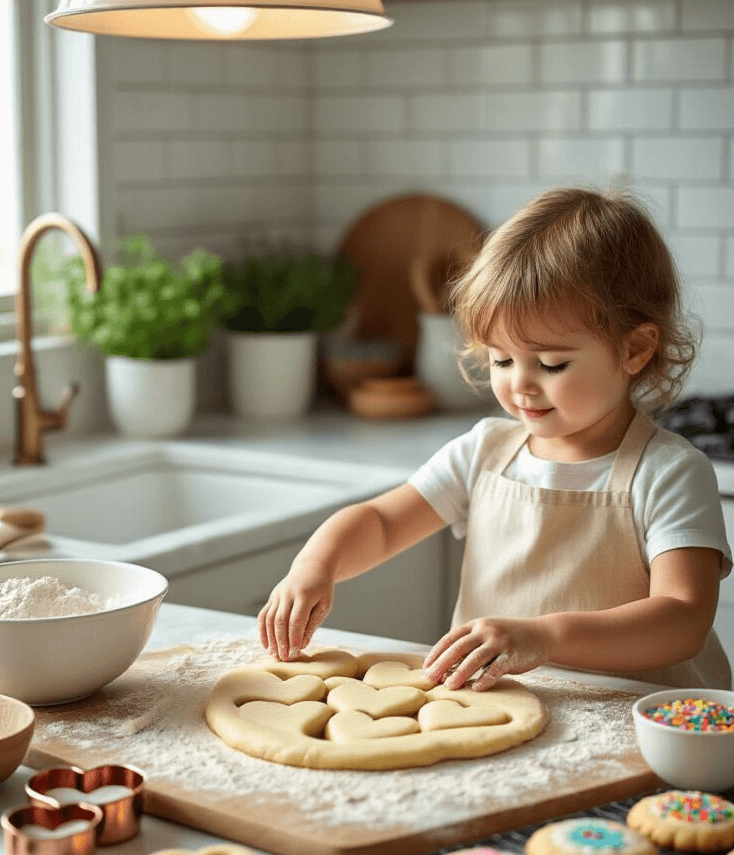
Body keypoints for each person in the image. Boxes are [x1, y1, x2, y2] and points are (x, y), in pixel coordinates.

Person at [258, 187, 732, 692]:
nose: (519, 384)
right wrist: (315, 566)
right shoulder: (484, 452)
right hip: (501, 709)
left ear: (634, 349)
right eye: (501, 359)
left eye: (551, 363)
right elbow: (380, 522)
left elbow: (682, 619)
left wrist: (544, 637)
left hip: (635, 727)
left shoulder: (669, 473)